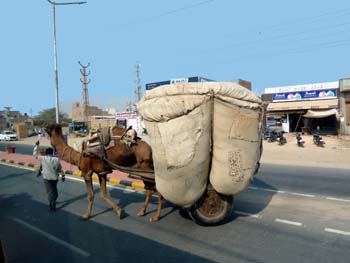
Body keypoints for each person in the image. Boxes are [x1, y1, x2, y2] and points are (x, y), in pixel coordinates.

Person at [33, 140, 65, 212]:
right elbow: (60, 169)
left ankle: (52, 206)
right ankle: (54, 200)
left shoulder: (43, 158)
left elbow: (34, 154)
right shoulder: (56, 160)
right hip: (54, 178)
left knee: (50, 192)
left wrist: (37, 146)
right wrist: (63, 176)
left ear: (46, 153)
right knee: (54, 191)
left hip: (47, 179)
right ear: (52, 153)